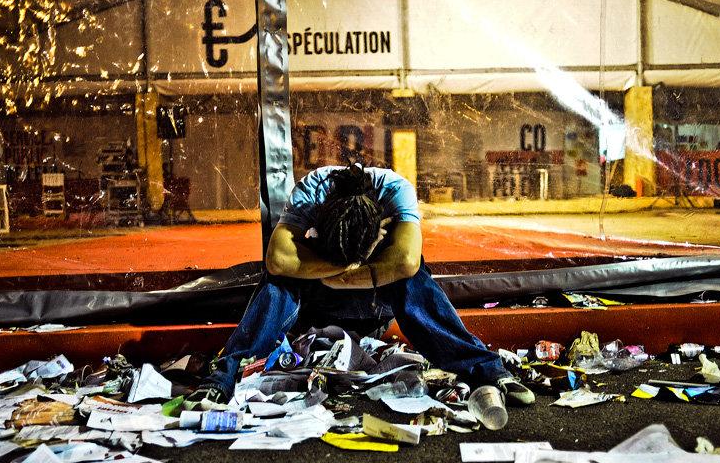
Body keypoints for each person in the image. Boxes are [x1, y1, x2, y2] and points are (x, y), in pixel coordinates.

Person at [190, 163, 534, 406]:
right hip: (316, 309)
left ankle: (486, 370)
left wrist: (352, 271)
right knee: (279, 278)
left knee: (412, 276)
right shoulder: (312, 191)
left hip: (373, 306)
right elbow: (277, 258)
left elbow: (408, 259)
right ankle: (224, 376)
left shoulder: (396, 190)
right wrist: (342, 266)